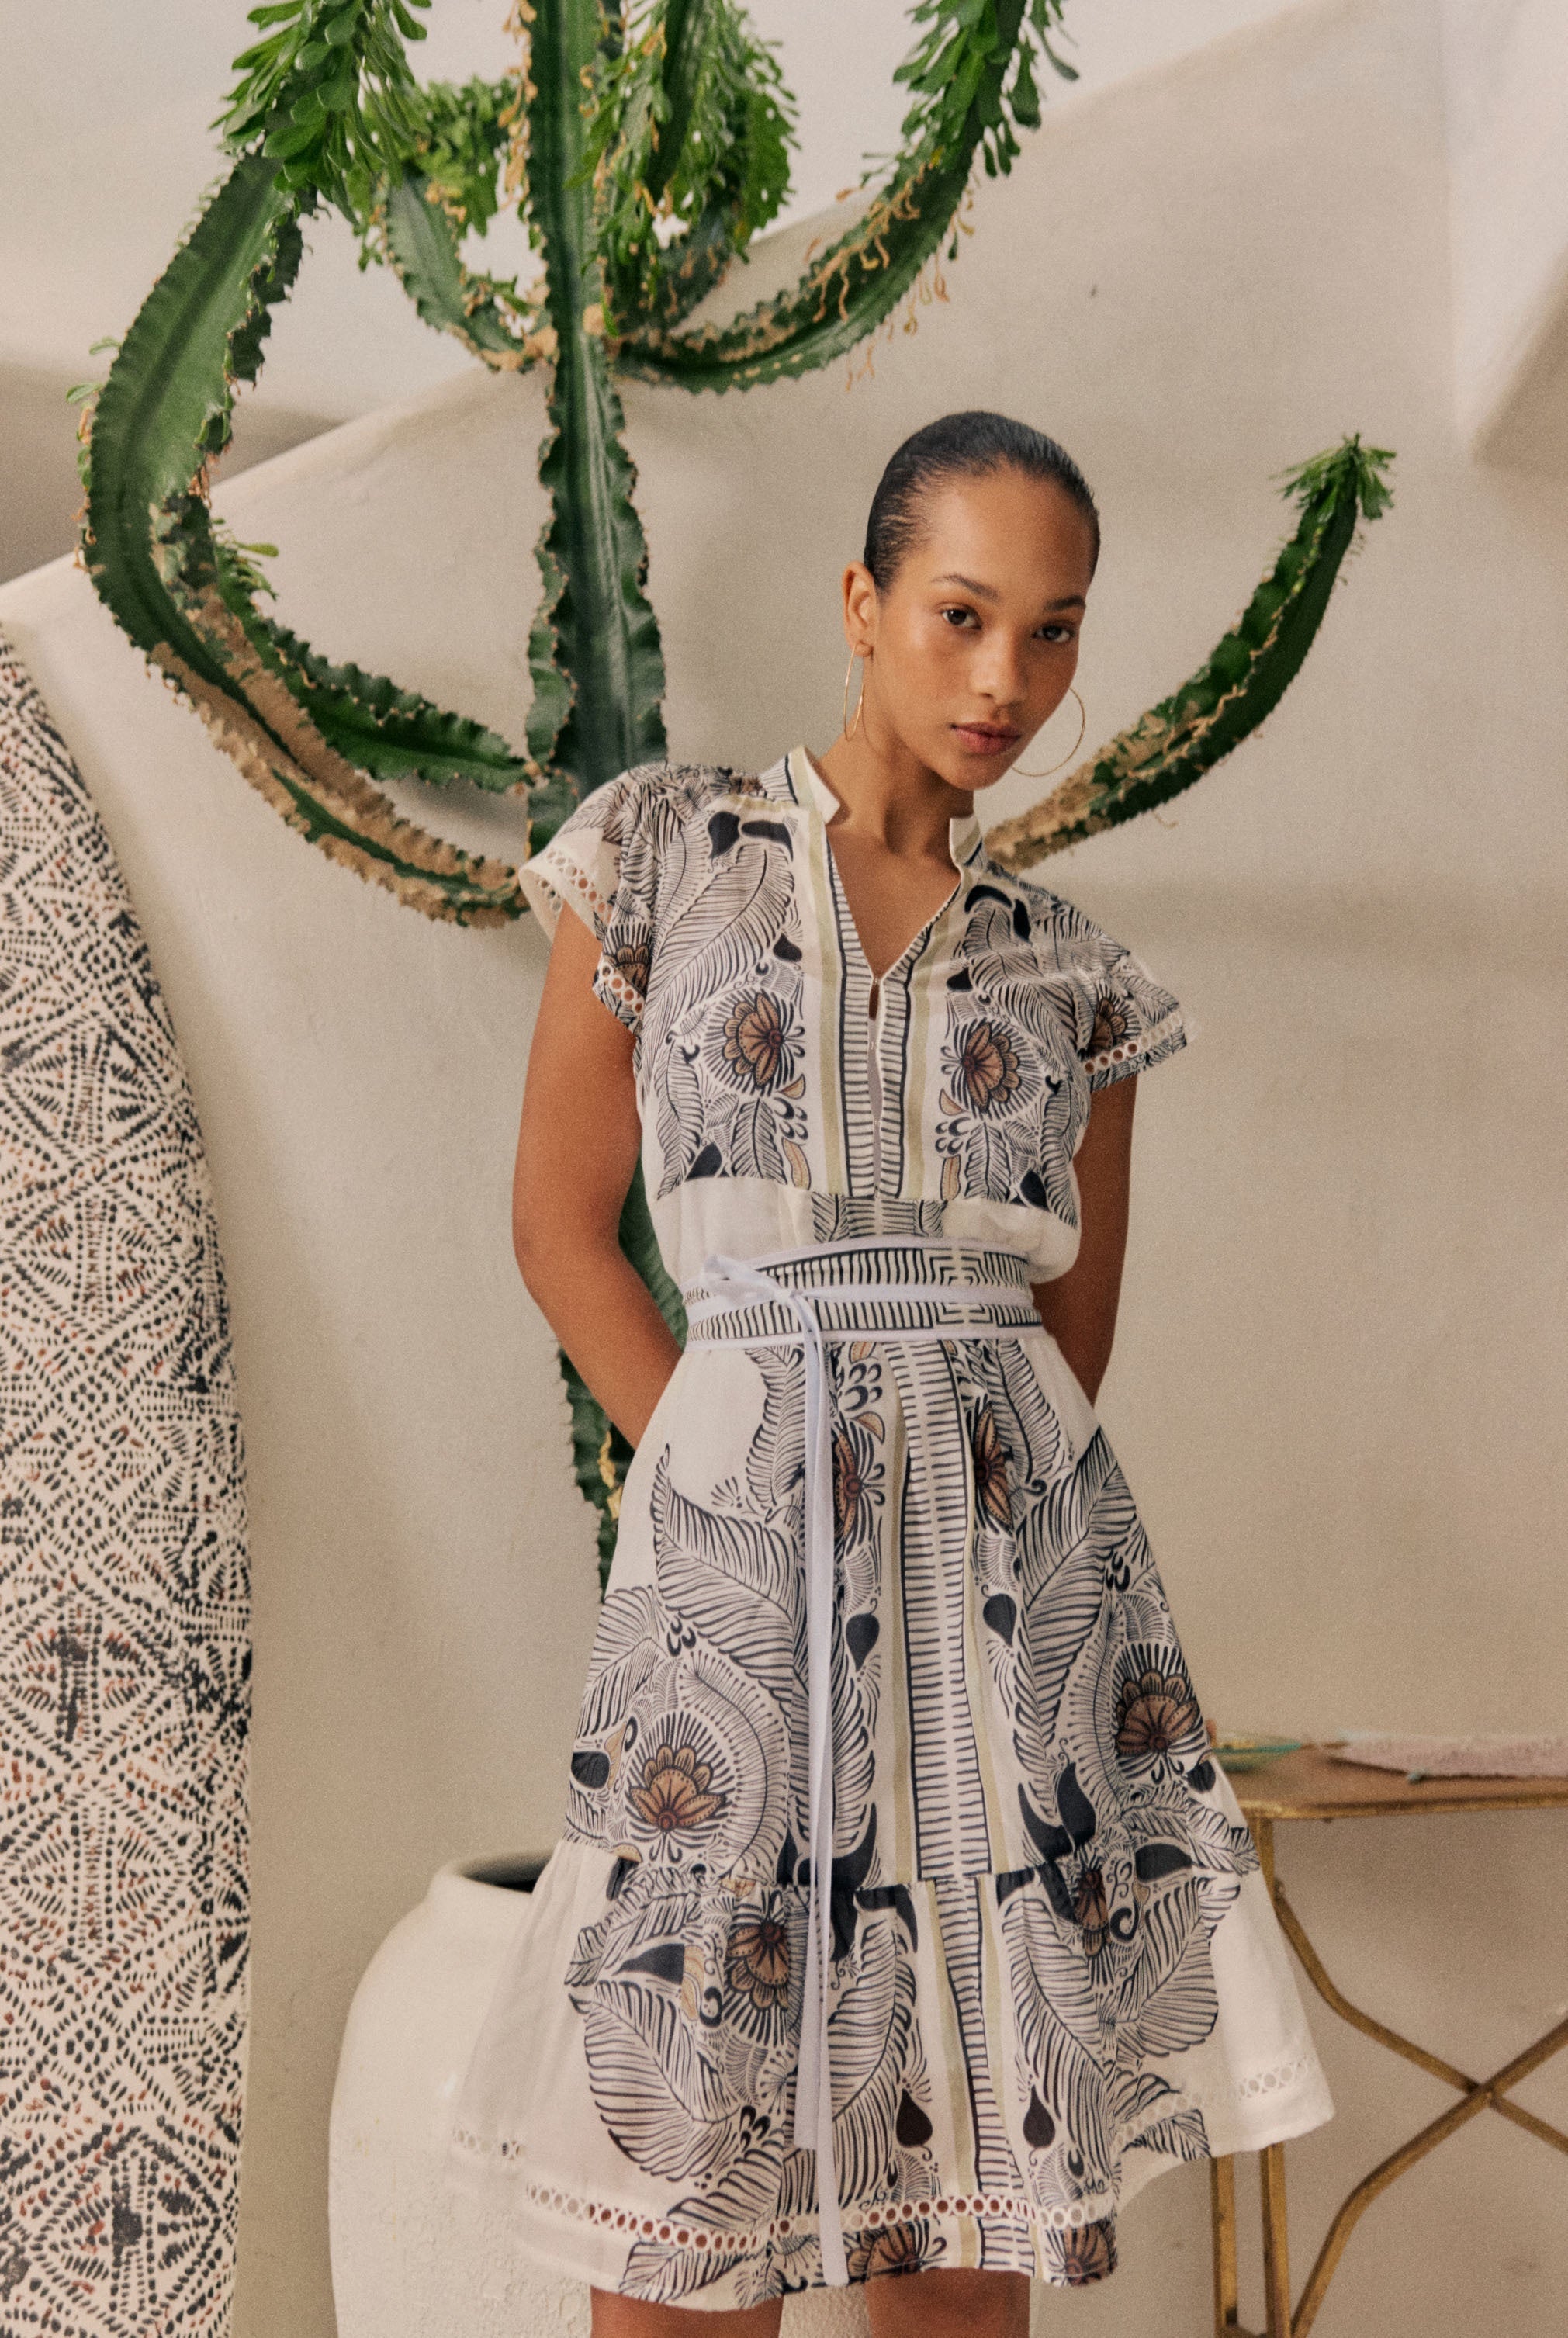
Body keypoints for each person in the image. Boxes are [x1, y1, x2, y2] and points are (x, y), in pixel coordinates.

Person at [448, 411, 1331, 2333]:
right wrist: (717, 1462)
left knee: (962, 2217)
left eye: (1054, 631)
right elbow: (557, 1225)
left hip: (1002, 1625)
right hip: (736, 1605)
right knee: (688, 2191)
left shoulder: (1070, 974)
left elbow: (1062, 1347)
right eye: (958, 615)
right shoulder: (663, 853)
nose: (1005, 680)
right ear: (862, 604)